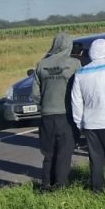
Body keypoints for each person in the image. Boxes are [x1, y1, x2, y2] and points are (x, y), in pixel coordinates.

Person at [71, 39, 105, 193]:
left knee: (95, 159)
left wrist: (79, 123)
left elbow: (76, 100)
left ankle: (97, 189)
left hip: (90, 122)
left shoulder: (81, 72)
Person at [32, 32, 81, 191]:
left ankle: (46, 184)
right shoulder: (74, 64)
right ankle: (60, 185)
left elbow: (34, 94)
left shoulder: (41, 64)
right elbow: (81, 88)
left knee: (48, 152)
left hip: (46, 115)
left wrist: (45, 103)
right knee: (64, 152)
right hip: (66, 115)